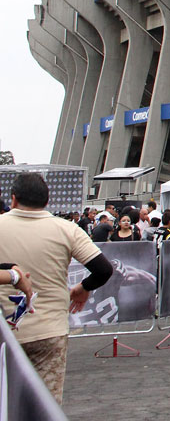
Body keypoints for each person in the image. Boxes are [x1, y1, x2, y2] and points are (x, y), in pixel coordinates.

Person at [0, 172, 114, 402]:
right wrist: (83, 287)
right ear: (46, 201)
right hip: (49, 330)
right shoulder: (66, 229)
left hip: (5, 331)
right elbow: (103, 269)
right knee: (45, 404)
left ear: (13, 199)